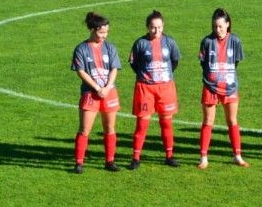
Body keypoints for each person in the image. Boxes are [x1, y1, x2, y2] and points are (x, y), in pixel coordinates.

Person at [128, 9, 181, 169]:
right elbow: (133, 63)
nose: (156, 31)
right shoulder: (140, 43)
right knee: (142, 125)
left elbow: (175, 61)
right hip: (145, 89)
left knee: (166, 123)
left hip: (166, 88)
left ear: (163, 26)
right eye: (153, 27)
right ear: (147, 27)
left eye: (159, 27)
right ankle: (136, 158)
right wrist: (146, 76)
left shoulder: (170, 42)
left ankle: (169, 156)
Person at [197, 8, 249, 169]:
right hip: (210, 87)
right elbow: (203, 63)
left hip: (229, 87)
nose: (217, 30)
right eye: (214, 27)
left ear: (227, 24)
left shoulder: (236, 41)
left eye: (220, 26)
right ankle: (204, 158)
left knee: (232, 121)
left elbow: (236, 62)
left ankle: (237, 156)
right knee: (208, 121)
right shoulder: (207, 42)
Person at [71, 12, 121, 173]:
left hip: (109, 93)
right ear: (92, 30)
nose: (104, 36)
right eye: (101, 33)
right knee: (85, 129)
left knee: (110, 128)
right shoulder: (81, 49)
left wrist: (107, 87)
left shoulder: (110, 47)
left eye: (106, 32)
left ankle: (110, 161)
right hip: (90, 94)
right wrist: (97, 88)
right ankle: (79, 163)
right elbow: (81, 71)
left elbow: (114, 68)